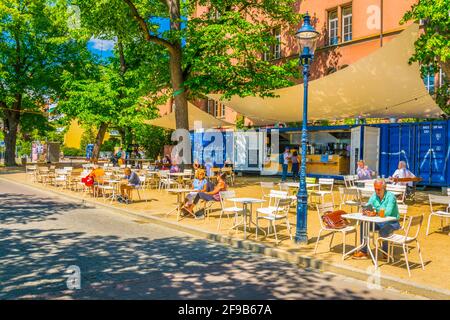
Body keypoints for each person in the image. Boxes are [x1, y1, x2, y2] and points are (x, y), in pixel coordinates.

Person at [353, 179, 401, 260]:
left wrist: (375, 213)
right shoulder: (374, 196)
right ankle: (364, 251)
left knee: (384, 229)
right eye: (375, 189)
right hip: (379, 222)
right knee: (363, 225)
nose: (377, 191)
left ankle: (386, 252)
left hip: (392, 222)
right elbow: (368, 205)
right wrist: (365, 210)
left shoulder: (391, 196)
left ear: (384, 187)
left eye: (379, 189)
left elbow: (388, 212)